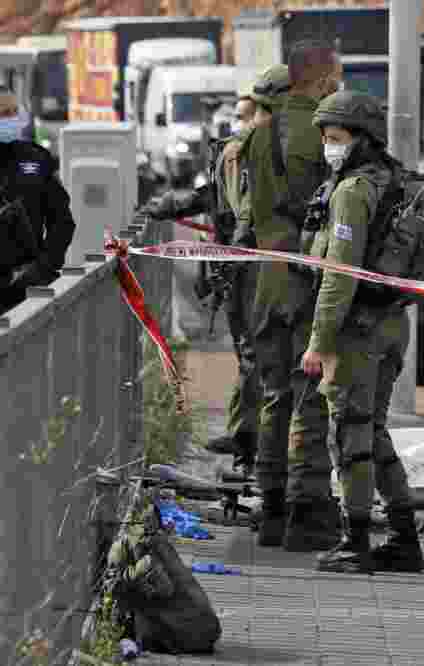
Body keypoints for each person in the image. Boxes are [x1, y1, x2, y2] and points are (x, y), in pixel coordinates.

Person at [290, 90, 424, 574]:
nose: (329, 147)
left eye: (337, 138)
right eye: (326, 138)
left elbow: (339, 275)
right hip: (393, 325)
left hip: (357, 333)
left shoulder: (351, 191)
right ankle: (405, 538)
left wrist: (318, 343)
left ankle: (356, 540)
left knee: (348, 435)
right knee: (373, 431)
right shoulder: (397, 182)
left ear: (362, 140)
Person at [134, 67, 291, 471]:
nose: (242, 122)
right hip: (237, 269)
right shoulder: (232, 153)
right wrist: (170, 205)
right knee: (247, 355)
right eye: (239, 115)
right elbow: (215, 197)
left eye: (248, 114)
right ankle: (245, 437)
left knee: (260, 358)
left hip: (260, 268)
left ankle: (260, 449)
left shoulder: (277, 154)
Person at [240, 41, 340, 550]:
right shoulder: (325, 134)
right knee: (310, 395)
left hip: (265, 279)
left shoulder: (258, 135)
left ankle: (270, 508)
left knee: (274, 395)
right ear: (322, 79)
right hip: (306, 278)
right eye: (336, 74)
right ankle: (308, 513)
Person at [0, 88, 75, 314]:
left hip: (27, 288)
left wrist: (44, 266)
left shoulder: (36, 158)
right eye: (4, 113)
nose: (11, 119)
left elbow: (62, 222)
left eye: (14, 112)